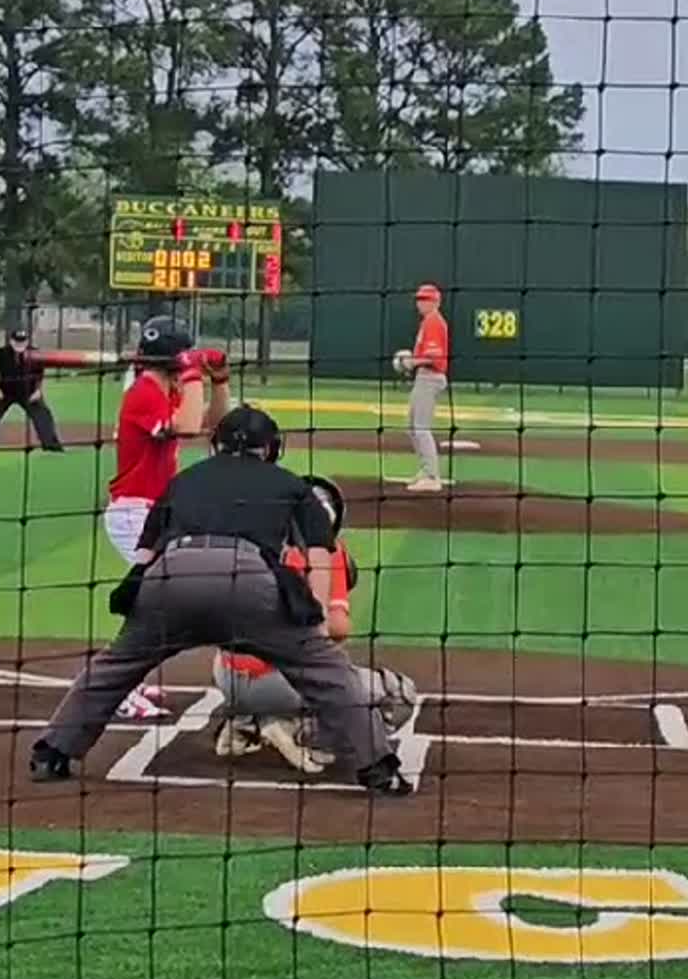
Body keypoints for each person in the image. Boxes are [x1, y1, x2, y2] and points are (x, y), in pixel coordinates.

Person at [29, 404, 410, 796]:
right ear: (272, 449)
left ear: (216, 445)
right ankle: (380, 770)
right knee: (329, 673)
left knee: (115, 667)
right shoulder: (290, 484)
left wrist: (138, 619)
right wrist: (311, 623)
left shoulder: (185, 481)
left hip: (171, 580)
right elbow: (319, 555)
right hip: (248, 583)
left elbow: (144, 558)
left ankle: (51, 751)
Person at [210, 474, 418, 773]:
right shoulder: (328, 553)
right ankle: (302, 735)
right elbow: (336, 628)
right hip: (275, 683)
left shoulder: (250, 543)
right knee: (398, 694)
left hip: (225, 673)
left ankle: (246, 722)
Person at [104, 316, 232, 720]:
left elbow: (212, 424)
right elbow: (190, 425)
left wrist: (220, 382)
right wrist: (194, 371)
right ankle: (118, 686)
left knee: (158, 601)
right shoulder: (143, 392)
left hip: (154, 514)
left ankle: (129, 680)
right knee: (152, 602)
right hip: (133, 513)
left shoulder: (165, 389)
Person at [0, 327, 64, 451]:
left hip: (28, 392)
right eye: (17, 341)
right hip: (5, 391)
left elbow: (39, 375)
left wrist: (38, 391)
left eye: (22, 341)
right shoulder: (2, 353)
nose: (20, 344)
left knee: (43, 414)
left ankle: (51, 445)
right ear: (11, 341)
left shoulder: (34, 354)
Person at [403, 282, 450, 493]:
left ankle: (432, 476)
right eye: (419, 299)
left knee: (421, 427)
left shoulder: (434, 322)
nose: (420, 303)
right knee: (412, 426)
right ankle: (426, 470)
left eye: (425, 299)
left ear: (436, 302)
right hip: (424, 377)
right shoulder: (428, 322)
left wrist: (411, 362)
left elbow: (433, 356)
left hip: (430, 377)